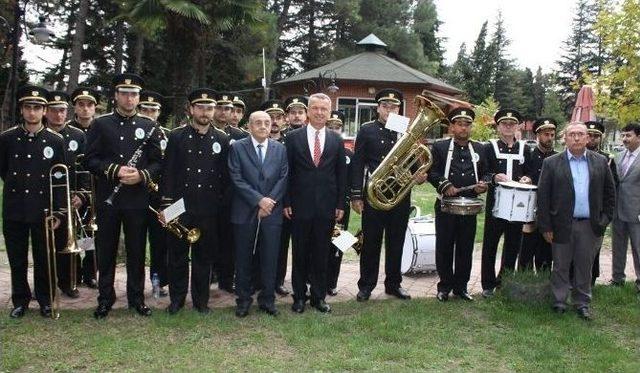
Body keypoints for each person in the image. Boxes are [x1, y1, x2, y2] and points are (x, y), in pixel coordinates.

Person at [84, 73, 163, 319]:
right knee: (105, 250)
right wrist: (114, 170)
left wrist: (142, 175)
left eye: (134, 94)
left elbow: (158, 162)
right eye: (125, 93)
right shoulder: (101, 124)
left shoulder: (150, 126)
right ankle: (105, 298)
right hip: (108, 198)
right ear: (116, 96)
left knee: (137, 250)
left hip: (137, 199)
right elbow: (90, 160)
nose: (130, 98)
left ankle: (136, 298)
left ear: (138, 97)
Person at [350, 88, 426, 302]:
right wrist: (356, 195)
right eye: (385, 106)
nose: (389, 110)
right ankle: (366, 285)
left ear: (399, 109)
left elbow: (413, 162)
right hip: (374, 196)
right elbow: (357, 163)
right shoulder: (366, 130)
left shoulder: (405, 131)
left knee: (396, 242)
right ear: (378, 108)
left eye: (394, 107)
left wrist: (418, 175)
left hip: (399, 197)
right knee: (370, 243)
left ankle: (394, 285)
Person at [161, 88, 230, 314]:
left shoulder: (222, 138)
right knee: (177, 256)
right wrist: (166, 206)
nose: (205, 112)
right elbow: (168, 172)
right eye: (200, 107)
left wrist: (221, 207)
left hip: (208, 208)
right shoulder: (176, 136)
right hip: (179, 206)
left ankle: (201, 302)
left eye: (209, 108)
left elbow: (224, 177)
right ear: (191, 109)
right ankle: (177, 300)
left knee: (204, 258)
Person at [537, 122, 615, 320]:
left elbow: (610, 194)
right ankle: (559, 301)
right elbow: (543, 197)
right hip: (561, 224)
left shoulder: (600, 162)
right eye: (572, 134)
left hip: (590, 225)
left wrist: (604, 220)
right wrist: (545, 225)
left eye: (581, 134)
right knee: (561, 265)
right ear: (565, 138)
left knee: (584, 266)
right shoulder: (552, 163)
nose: (577, 138)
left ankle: (582, 303)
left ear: (588, 138)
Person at [1, 86, 66, 318]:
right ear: (21, 110)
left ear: (44, 111)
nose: (32, 112)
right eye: (28, 107)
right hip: (15, 207)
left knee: (44, 258)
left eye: (37, 108)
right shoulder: (7, 138)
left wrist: (59, 212)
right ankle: (20, 300)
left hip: (43, 209)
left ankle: (45, 300)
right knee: (17, 258)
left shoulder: (55, 141)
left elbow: (59, 178)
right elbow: (4, 171)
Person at [284, 93, 347, 313]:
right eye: (315, 108)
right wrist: (287, 201)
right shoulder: (292, 138)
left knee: (322, 254)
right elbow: (287, 173)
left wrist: (340, 204)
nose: (319, 112)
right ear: (308, 111)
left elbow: (341, 176)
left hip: (327, 208)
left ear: (329, 112)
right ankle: (299, 297)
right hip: (299, 207)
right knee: (300, 253)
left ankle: (318, 297)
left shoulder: (337, 140)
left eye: (324, 109)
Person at [229, 111, 288, 317]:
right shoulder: (237, 147)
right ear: (249, 126)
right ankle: (243, 300)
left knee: (270, 257)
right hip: (245, 212)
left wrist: (269, 202)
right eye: (258, 123)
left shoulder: (280, 148)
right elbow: (235, 178)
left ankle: (267, 299)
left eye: (267, 122)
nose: (263, 126)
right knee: (243, 257)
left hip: (272, 212)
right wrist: (258, 200)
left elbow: (284, 177)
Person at [428, 107, 488, 302]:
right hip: (446, 205)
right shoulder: (440, 147)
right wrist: (445, 185)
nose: (463, 128)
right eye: (459, 124)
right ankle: (444, 287)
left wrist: (482, 185)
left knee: (465, 247)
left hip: (469, 205)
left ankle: (461, 287)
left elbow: (488, 172)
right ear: (452, 126)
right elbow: (432, 172)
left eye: (467, 124)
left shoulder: (480, 148)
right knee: (444, 246)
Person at [480, 109, 530, 297]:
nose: (508, 127)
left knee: (512, 246)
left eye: (512, 124)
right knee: (490, 245)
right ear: (498, 126)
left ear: (517, 126)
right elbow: (482, 173)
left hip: (517, 206)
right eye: (504, 124)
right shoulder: (488, 147)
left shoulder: (525, 148)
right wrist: (494, 177)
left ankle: (504, 281)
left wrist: (527, 178)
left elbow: (530, 172)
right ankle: (487, 284)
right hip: (496, 205)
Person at [44, 90, 88, 299]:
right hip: (43, 197)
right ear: (46, 112)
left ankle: (67, 283)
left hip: (69, 198)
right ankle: (44, 286)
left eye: (61, 110)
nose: (58, 115)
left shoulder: (78, 136)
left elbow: (85, 170)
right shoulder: (41, 134)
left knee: (66, 242)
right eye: (53, 111)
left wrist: (82, 195)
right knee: (43, 244)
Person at [136, 90, 170, 297]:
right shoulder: (132, 132)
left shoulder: (167, 134)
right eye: (145, 109)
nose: (149, 113)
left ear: (159, 112)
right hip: (137, 195)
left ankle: (159, 282)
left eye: (153, 110)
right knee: (137, 243)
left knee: (160, 243)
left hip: (160, 197)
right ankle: (136, 284)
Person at [274, 95, 309, 296]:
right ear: (287, 116)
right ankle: (278, 280)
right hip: (285, 199)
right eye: (293, 112)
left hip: (306, 199)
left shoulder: (312, 135)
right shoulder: (282, 138)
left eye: (300, 112)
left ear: (305, 115)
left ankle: (305, 279)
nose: (296, 116)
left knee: (305, 244)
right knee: (282, 243)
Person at [68, 87, 99, 288]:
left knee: (89, 235)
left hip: (94, 192)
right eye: (81, 105)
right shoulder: (67, 130)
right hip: (71, 194)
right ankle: (72, 274)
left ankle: (89, 273)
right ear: (75, 108)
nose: (85, 109)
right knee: (70, 235)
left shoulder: (101, 129)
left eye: (89, 105)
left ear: (95, 108)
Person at [519, 118, 558, 272]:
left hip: (549, 211)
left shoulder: (558, 158)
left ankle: (545, 284)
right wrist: (523, 179)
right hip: (528, 209)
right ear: (537, 135)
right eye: (546, 134)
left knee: (546, 252)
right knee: (526, 250)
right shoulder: (528, 155)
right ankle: (524, 284)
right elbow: (519, 175)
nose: (549, 138)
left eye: (552, 134)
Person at [583, 121, 618, 286]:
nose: (592, 139)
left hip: (597, 212)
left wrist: (606, 217)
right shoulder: (575, 156)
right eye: (589, 135)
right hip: (578, 211)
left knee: (593, 251)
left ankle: (591, 280)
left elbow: (612, 189)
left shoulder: (607, 160)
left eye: (596, 136)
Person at [325, 110, 353, 296]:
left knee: (338, 244)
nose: (334, 130)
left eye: (338, 127)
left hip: (341, 207)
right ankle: (314, 278)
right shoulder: (319, 150)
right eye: (330, 127)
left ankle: (332, 282)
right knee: (318, 243)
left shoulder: (349, 152)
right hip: (321, 205)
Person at [611, 122, 640, 291]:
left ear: (638, 137)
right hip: (618, 211)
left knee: (638, 248)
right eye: (623, 135)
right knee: (618, 247)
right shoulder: (619, 156)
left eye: (628, 135)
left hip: (636, 213)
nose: (624, 139)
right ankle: (617, 279)